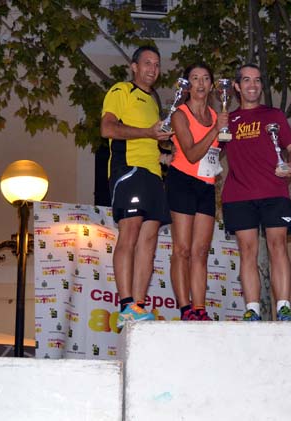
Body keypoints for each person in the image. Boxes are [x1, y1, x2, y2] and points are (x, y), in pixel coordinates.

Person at [221, 63, 291, 321]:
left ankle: (284, 308)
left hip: (274, 192)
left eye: (256, 80)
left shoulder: (274, 115)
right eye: (246, 80)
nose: (252, 85)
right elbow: (208, 150)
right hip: (239, 195)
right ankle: (252, 310)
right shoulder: (228, 120)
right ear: (237, 86)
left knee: (278, 246)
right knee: (247, 252)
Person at [100, 45, 173, 329]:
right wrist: (148, 133)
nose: (153, 68)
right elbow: (107, 129)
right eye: (147, 63)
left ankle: (138, 307)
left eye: (157, 64)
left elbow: (150, 142)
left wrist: (166, 157)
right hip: (128, 170)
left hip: (153, 175)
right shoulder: (121, 90)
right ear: (134, 67)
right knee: (129, 234)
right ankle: (126, 304)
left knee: (149, 241)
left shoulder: (153, 101)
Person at [166, 63, 227, 321]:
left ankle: (200, 309)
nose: (200, 83)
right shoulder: (180, 115)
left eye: (205, 79)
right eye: (195, 78)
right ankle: (185, 308)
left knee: (201, 251)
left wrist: (220, 131)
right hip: (182, 181)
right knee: (182, 249)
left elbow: (215, 151)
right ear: (187, 85)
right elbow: (191, 154)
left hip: (206, 185)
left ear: (212, 85)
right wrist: (215, 130)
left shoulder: (216, 115)